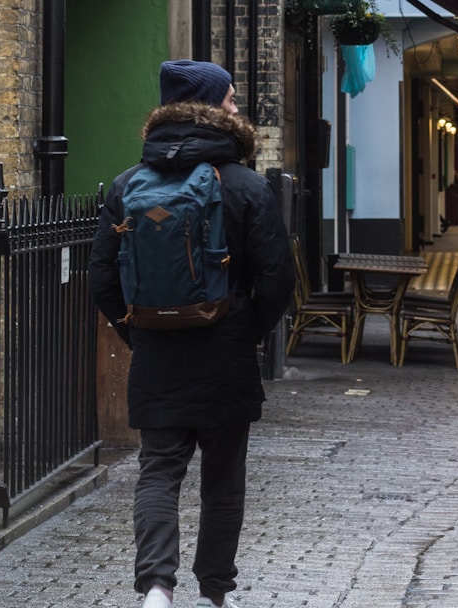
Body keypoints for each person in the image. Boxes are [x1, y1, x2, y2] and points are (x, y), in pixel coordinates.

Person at [88, 60, 295, 608]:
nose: (236, 107)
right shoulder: (247, 185)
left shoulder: (129, 185)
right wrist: (246, 330)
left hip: (157, 353)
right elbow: (278, 280)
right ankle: (215, 593)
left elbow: (104, 280)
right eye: (230, 98)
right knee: (223, 479)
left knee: (158, 472)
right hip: (226, 352)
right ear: (208, 106)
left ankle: (156, 588)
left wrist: (143, 333)